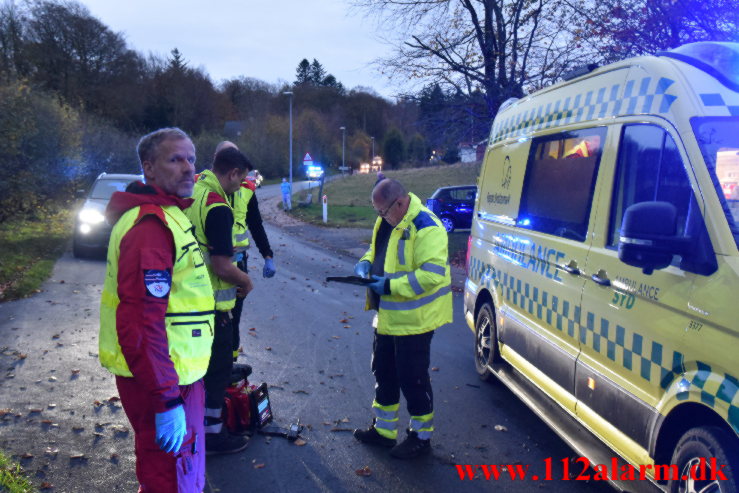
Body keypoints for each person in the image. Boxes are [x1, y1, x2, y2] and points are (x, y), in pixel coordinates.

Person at [98, 127, 214, 492]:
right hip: (163, 381)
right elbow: (139, 323)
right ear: (148, 168)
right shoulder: (151, 226)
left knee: (177, 472)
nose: (187, 168)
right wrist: (165, 400)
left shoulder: (171, 215)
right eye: (175, 159)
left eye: (191, 159)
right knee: (168, 479)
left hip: (176, 375)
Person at [352, 179, 453, 459]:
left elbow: (432, 275)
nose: (379, 217)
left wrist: (389, 286)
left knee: (413, 379)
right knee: (383, 372)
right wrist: (365, 263)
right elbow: (377, 251)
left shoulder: (426, 226)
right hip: (388, 317)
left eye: (382, 212)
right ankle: (383, 431)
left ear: (399, 203)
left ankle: (421, 438)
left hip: (416, 321)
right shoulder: (388, 219)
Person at [185, 146, 254, 454]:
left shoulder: (195, 191)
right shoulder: (218, 206)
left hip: (188, 300)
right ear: (233, 173)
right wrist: (245, 280)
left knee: (195, 373)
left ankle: (196, 429)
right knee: (217, 372)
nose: (241, 187)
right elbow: (222, 265)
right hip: (213, 308)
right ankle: (214, 435)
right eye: (242, 180)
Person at [213, 141, 276, 363]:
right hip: (210, 264)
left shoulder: (246, 189)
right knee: (213, 317)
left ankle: (230, 366)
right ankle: (214, 368)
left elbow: (256, 225)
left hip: (237, 263)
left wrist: (267, 255)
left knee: (233, 318)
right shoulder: (202, 188)